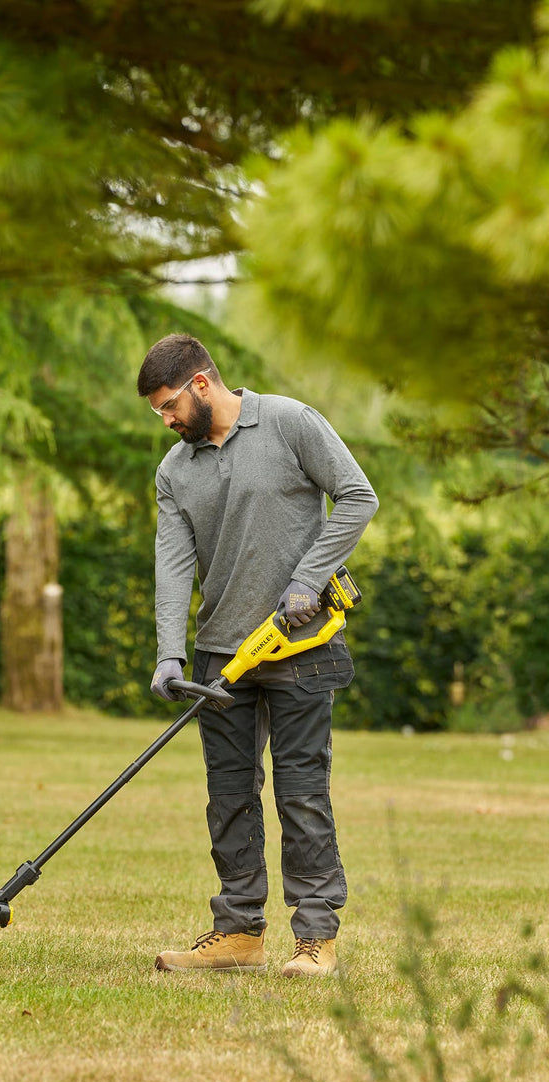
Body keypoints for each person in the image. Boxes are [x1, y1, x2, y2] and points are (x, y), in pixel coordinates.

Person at [137, 333, 378, 977]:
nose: (165, 420)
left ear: (201, 384)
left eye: (168, 406)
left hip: (300, 644)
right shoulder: (174, 471)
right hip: (221, 658)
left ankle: (314, 938)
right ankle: (239, 932)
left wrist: (309, 578)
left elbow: (358, 496)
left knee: (302, 791)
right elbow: (173, 563)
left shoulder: (290, 423)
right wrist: (170, 654)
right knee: (229, 796)